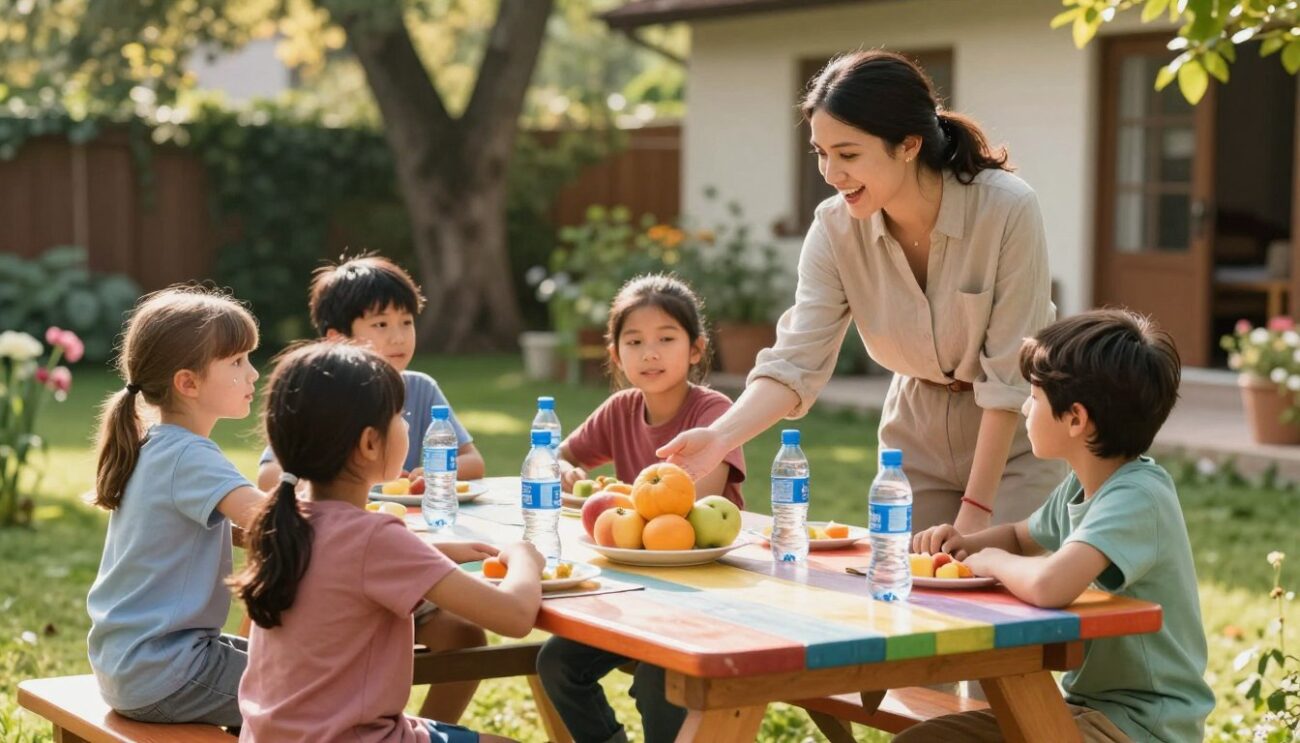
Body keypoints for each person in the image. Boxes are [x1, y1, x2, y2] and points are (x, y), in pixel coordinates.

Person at [659, 49, 1064, 534]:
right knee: (910, 593)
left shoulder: (1006, 208)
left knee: (1005, 589)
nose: (831, 174)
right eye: (821, 153)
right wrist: (719, 439)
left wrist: (976, 510)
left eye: (848, 154)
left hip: (1017, 435)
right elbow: (795, 362)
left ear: (908, 145)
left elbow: (1006, 377)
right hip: (914, 434)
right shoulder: (834, 229)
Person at [902, 310, 1215, 743]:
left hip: (1140, 727)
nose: (1026, 407)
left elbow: (1050, 585)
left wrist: (991, 561)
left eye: (1034, 396)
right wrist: (966, 544)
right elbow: (1018, 536)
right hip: (1084, 710)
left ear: (1075, 419)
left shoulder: (1138, 497)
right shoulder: (1083, 485)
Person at [232, 342, 544, 743]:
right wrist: (524, 559)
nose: (408, 427)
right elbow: (515, 616)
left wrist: (431, 555)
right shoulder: (375, 538)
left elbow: (350, 567)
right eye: (399, 417)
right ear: (368, 444)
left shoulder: (285, 521)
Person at [254, 253, 487, 721]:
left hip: (409, 550)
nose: (398, 336)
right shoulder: (323, 394)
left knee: (466, 636)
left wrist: (431, 476)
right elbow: (268, 476)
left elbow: (473, 461)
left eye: (406, 321)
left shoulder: (421, 386)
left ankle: (431, 729)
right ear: (337, 338)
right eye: (381, 323)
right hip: (357, 556)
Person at [538, 273, 747, 743]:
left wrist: (613, 497)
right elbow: (562, 455)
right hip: (636, 591)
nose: (649, 353)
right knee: (556, 662)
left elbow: (691, 499)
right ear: (615, 354)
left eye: (666, 339)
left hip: (706, 593)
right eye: (634, 341)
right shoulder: (621, 408)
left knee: (658, 679)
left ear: (696, 349)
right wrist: (566, 470)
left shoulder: (713, 413)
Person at [86, 286, 264, 727]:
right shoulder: (189, 456)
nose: (254, 374)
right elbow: (271, 520)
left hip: (131, 663)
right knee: (315, 692)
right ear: (188, 383)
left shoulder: (154, 445)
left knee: (288, 663)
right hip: (167, 672)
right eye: (238, 362)